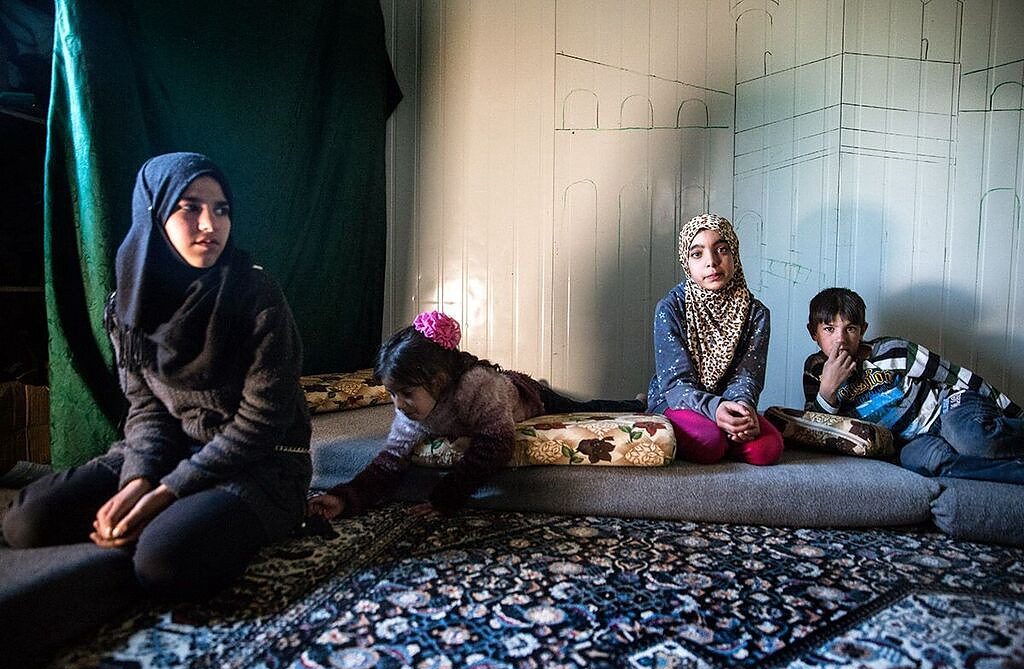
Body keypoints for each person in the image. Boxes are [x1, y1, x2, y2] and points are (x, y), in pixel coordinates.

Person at [2, 152, 312, 598]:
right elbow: (146, 409)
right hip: (172, 447)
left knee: (162, 562)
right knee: (26, 522)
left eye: (221, 209)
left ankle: (190, 521)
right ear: (153, 212)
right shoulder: (128, 303)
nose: (210, 224)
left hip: (261, 461)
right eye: (190, 207)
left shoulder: (256, 295)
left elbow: (261, 425)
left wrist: (169, 491)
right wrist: (138, 480)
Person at [307, 310, 644, 519]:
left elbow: (495, 446)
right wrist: (343, 498)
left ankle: (640, 402)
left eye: (406, 394)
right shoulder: (410, 413)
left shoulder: (478, 388)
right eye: (392, 394)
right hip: (493, 394)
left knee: (582, 408)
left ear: (438, 382)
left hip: (525, 394)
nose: (398, 404)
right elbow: (389, 461)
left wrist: (445, 498)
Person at [803, 287, 1023, 484]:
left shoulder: (892, 350)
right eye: (829, 329)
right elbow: (816, 431)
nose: (840, 339)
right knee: (923, 461)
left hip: (948, 408)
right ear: (814, 333)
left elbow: (956, 376)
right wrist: (828, 389)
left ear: (862, 330)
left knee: (972, 440)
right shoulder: (815, 370)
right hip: (912, 439)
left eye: (850, 329)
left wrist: (1016, 412)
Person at [645, 214, 783, 466]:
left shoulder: (756, 313)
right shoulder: (671, 308)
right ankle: (714, 434)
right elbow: (676, 385)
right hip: (679, 400)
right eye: (697, 254)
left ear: (735, 255)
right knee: (708, 443)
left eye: (722, 249)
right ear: (686, 263)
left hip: (729, 403)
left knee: (768, 449)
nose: (712, 262)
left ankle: (728, 432)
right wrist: (714, 409)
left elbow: (747, 377)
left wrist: (741, 409)